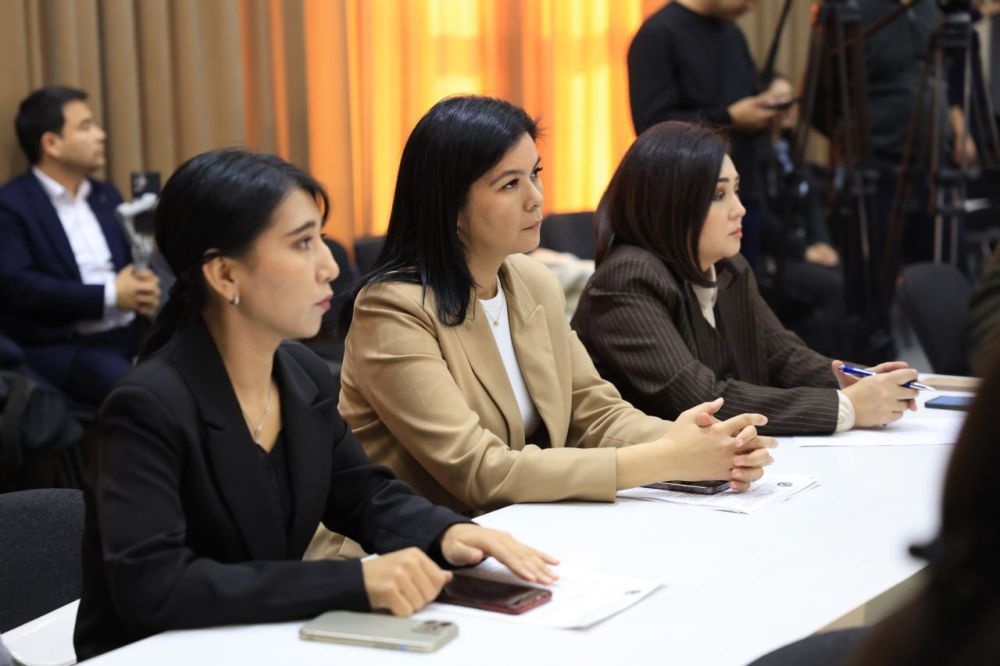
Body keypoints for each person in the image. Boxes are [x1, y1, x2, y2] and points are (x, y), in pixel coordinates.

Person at [73, 149, 557, 660]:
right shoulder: (147, 406)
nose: (329, 267)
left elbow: (363, 495)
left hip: (262, 644)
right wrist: (353, 582)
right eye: (303, 243)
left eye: (321, 238)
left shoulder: (300, 374)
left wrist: (447, 532)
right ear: (224, 275)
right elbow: (155, 586)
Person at [335, 96, 775, 520]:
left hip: (520, 524)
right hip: (410, 546)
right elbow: (478, 470)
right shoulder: (392, 310)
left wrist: (707, 443)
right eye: (510, 184)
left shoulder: (532, 281)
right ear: (450, 206)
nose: (535, 197)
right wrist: (666, 459)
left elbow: (595, 412)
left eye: (535, 174)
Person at [572, 122, 918, 436]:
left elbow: (781, 355)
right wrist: (847, 407)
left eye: (736, 190)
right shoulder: (626, 280)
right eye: (719, 196)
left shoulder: (728, 266)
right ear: (670, 204)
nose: (740, 209)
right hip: (648, 476)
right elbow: (703, 400)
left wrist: (852, 380)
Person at [0, 86, 160, 406]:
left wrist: (144, 285)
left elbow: (132, 260)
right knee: (150, 397)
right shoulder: (12, 204)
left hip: (131, 332)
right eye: (86, 127)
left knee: (202, 371)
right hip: (69, 346)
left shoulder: (105, 195)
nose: (101, 135)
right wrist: (110, 294)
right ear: (51, 143)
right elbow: (23, 288)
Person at [627, 0, 777, 270]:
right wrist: (729, 117)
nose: (751, 6)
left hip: (744, 190)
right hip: (692, 201)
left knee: (742, 286)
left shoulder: (732, 33)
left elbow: (750, 85)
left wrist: (775, 90)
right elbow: (652, 126)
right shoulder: (657, 34)